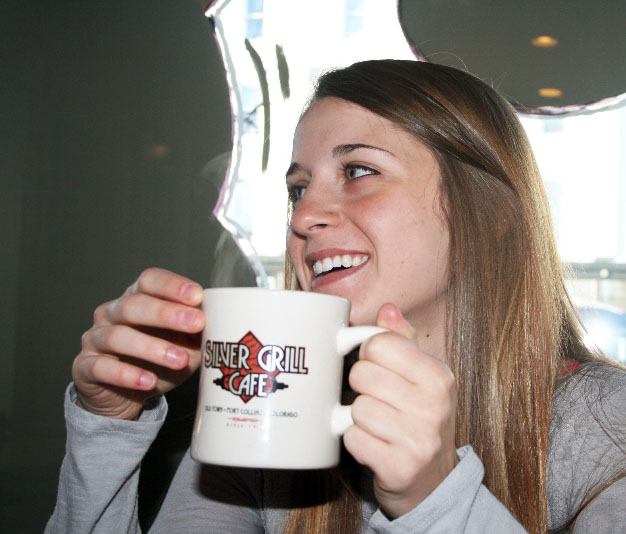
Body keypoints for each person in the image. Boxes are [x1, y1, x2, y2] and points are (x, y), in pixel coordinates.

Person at [46, 60, 626, 533]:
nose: (306, 216)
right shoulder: (268, 412)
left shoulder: (605, 426)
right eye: (299, 189)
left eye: (358, 171)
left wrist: (439, 501)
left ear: (490, 210)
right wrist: (108, 429)